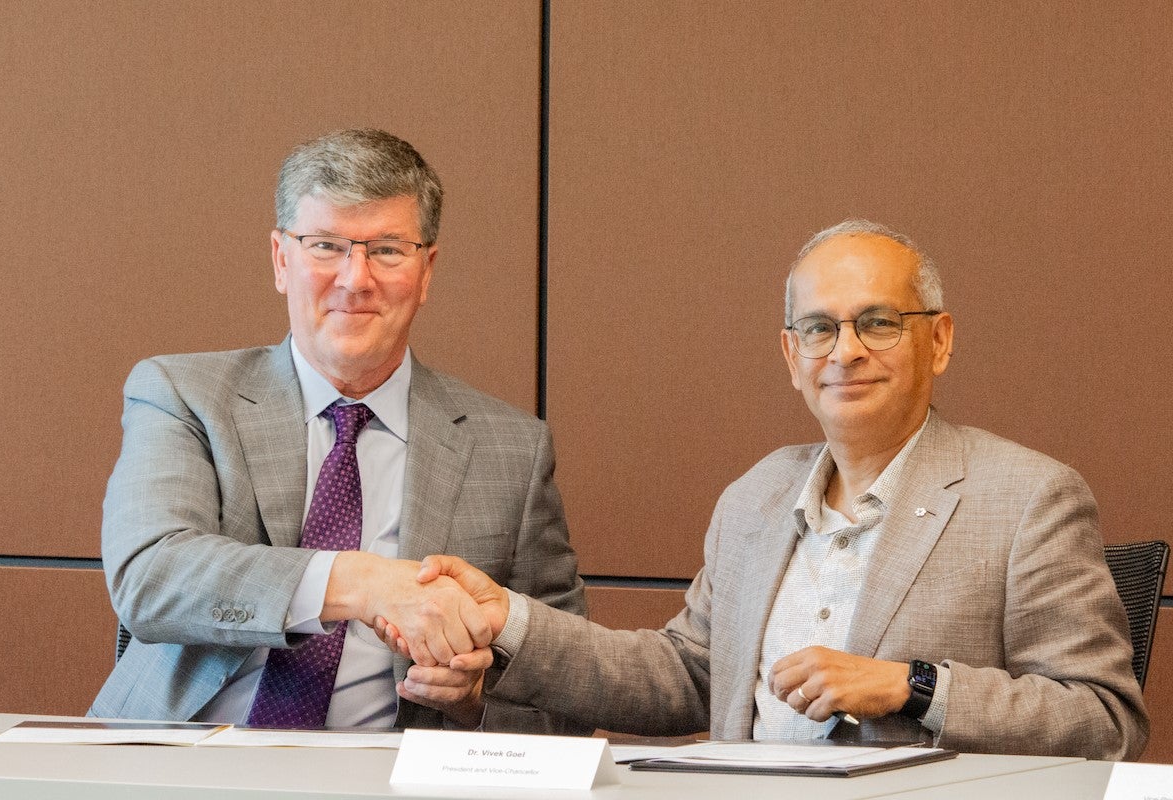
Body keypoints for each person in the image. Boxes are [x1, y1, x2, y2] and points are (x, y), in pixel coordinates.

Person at [382, 219, 1148, 759]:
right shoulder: (755, 496)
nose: (844, 352)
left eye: (877, 323)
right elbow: (684, 678)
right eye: (819, 329)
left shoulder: (1028, 499)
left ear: (938, 340)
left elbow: (1103, 719)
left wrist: (912, 686)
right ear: (791, 354)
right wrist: (508, 619)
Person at [90, 128, 586, 733]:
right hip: (175, 762)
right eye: (325, 245)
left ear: (427, 271)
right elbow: (151, 578)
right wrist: (364, 583)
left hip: (386, 780)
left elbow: (566, 695)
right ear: (280, 259)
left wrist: (474, 699)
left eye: (387, 250)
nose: (355, 279)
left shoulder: (512, 451)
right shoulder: (183, 395)